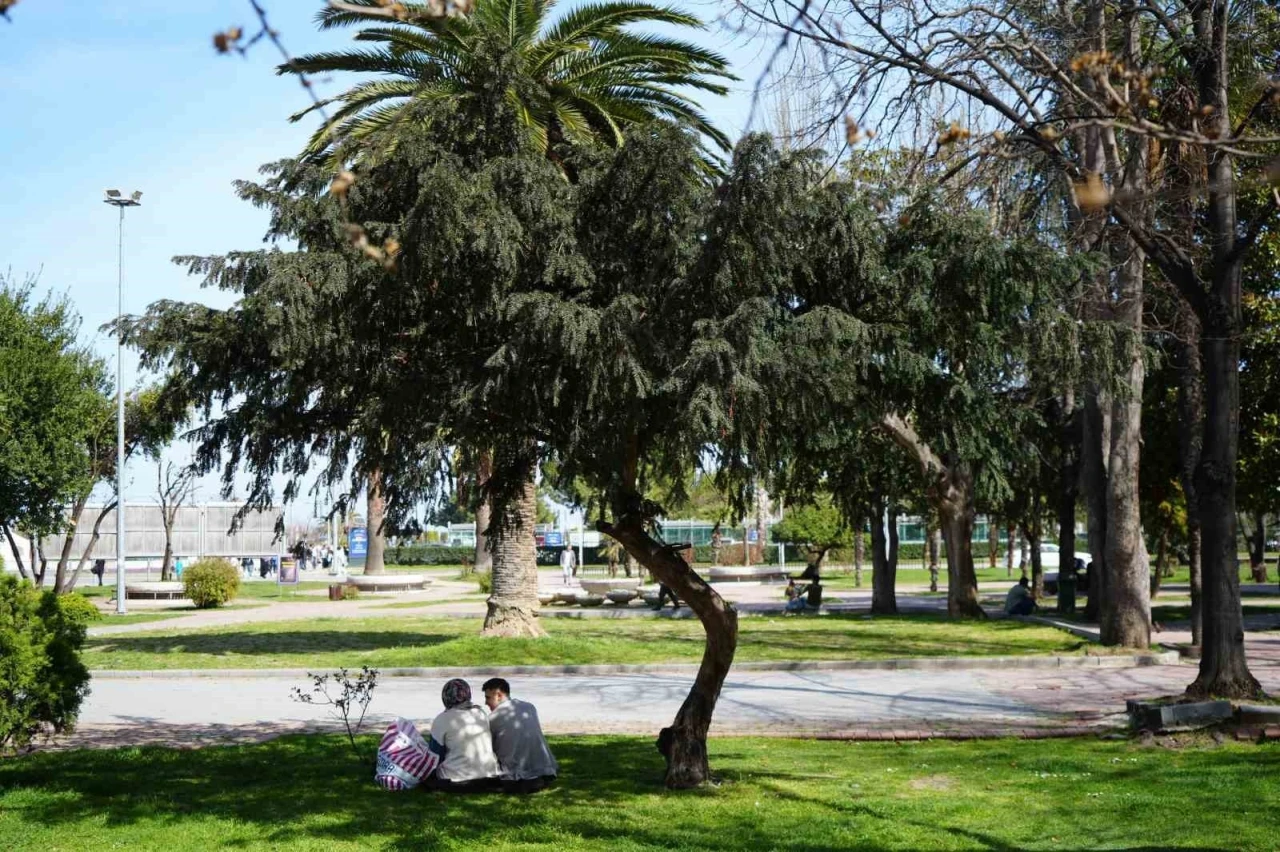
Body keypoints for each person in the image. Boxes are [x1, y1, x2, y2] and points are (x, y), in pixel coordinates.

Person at [482, 677, 558, 794]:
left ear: (498, 695)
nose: (485, 702)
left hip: (514, 777)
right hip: (545, 772)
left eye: (488, 697)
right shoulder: (529, 707)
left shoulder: (493, 718)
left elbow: (486, 749)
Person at [425, 678, 500, 792]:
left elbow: (434, 756)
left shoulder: (443, 719)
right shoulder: (480, 713)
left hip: (457, 780)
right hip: (489, 777)